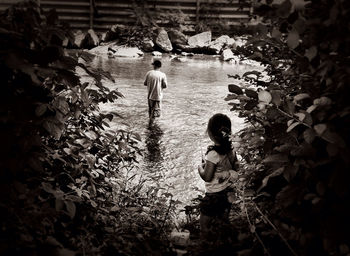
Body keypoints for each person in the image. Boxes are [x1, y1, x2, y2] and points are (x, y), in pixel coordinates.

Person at [197, 113, 239, 240]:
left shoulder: (213, 154)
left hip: (213, 194)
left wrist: (200, 168)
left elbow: (207, 177)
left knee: (204, 223)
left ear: (212, 135)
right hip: (227, 192)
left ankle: (205, 245)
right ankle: (224, 241)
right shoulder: (231, 149)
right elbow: (236, 167)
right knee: (223, 218)